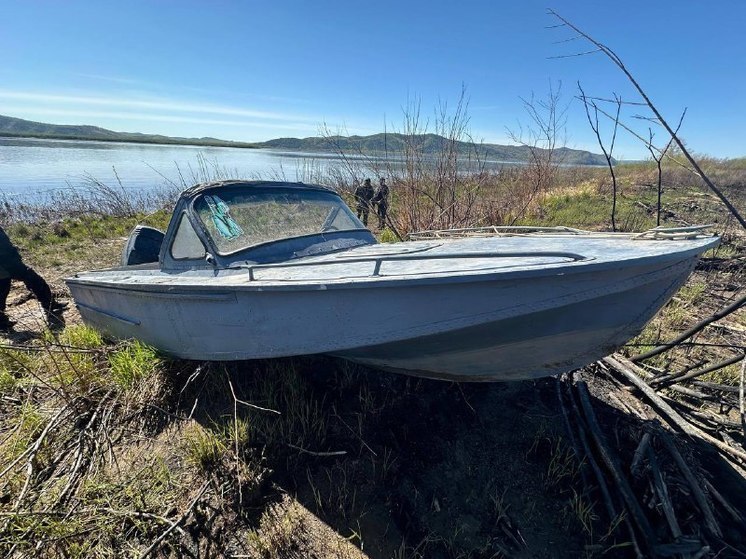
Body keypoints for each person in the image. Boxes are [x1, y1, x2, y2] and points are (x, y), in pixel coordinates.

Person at [0, 224, 66, 331]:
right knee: (33, 279)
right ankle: (50, 306)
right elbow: (3, 248)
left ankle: (1, 323)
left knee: (3, 290)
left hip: (8, 262)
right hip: (7, 263)